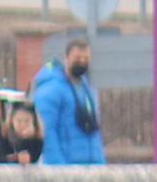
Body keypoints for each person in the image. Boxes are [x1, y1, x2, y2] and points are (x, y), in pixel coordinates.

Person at [35, 37, 105, 165]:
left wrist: (100, 163)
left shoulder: (88, 90)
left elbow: (95, 131)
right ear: (66, 58)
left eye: (86, 59)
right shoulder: (51, 90)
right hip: (66, 167)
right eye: (78, 58)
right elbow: (47, 132)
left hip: (91, 166)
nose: (82, 62)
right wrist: (59, 168)